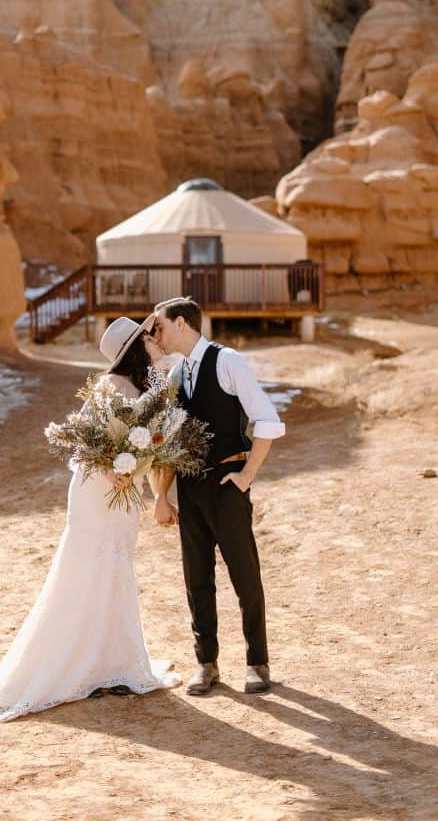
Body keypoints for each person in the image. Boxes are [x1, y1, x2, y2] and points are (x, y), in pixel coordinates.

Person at [0, 315, 179, 721]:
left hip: (127, 492)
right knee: (88, 569)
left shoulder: (152, 385)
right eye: (149, 336)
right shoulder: (109, 387)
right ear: (135, 348)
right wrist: (117, 471)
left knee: (116, 570)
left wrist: (137, 470)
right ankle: (76, 665)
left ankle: (114, 664)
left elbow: (155, 435)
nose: (155, 339)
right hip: (100, 491)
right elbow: (90, 445)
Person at [152, 297, 285, 696]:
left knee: (244, 575)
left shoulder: (228, 361)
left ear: (180, 323)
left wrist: (246, 475)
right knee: (197, 577)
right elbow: (167, 443)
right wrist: (162, 495)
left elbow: (266, 419)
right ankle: (206, 664)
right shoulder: (176, 374)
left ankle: (257, 663)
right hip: (189, 487)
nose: (157, 333)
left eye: (160, 325)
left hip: (227, 484)